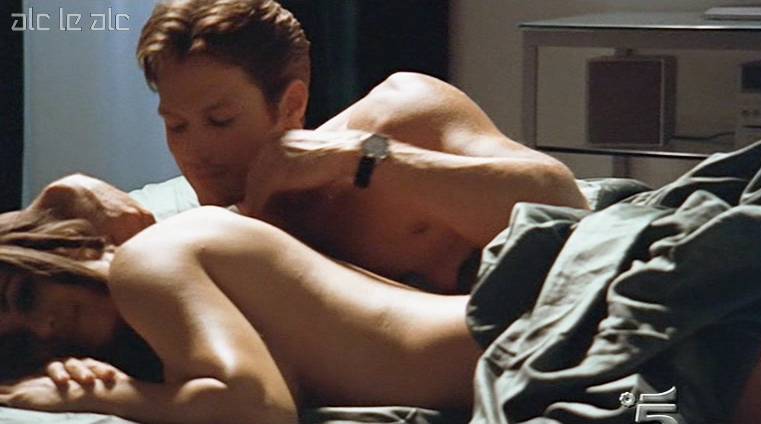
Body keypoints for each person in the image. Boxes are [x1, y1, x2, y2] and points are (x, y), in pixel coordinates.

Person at [119, 0, 588, 294]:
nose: (195, 150)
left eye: (220, 120)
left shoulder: (400, 114)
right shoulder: (205, 231)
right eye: (176, 126)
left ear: (291, 104)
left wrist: (362, 157)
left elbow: (563, 202)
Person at [0, 179, 483, 424]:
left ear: (54, 246)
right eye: (21, 341)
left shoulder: (145, 263)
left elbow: (259, 411)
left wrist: (97, 395)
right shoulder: (164, 301)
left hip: (505, 343)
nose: (43, 328)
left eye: (26, 295)